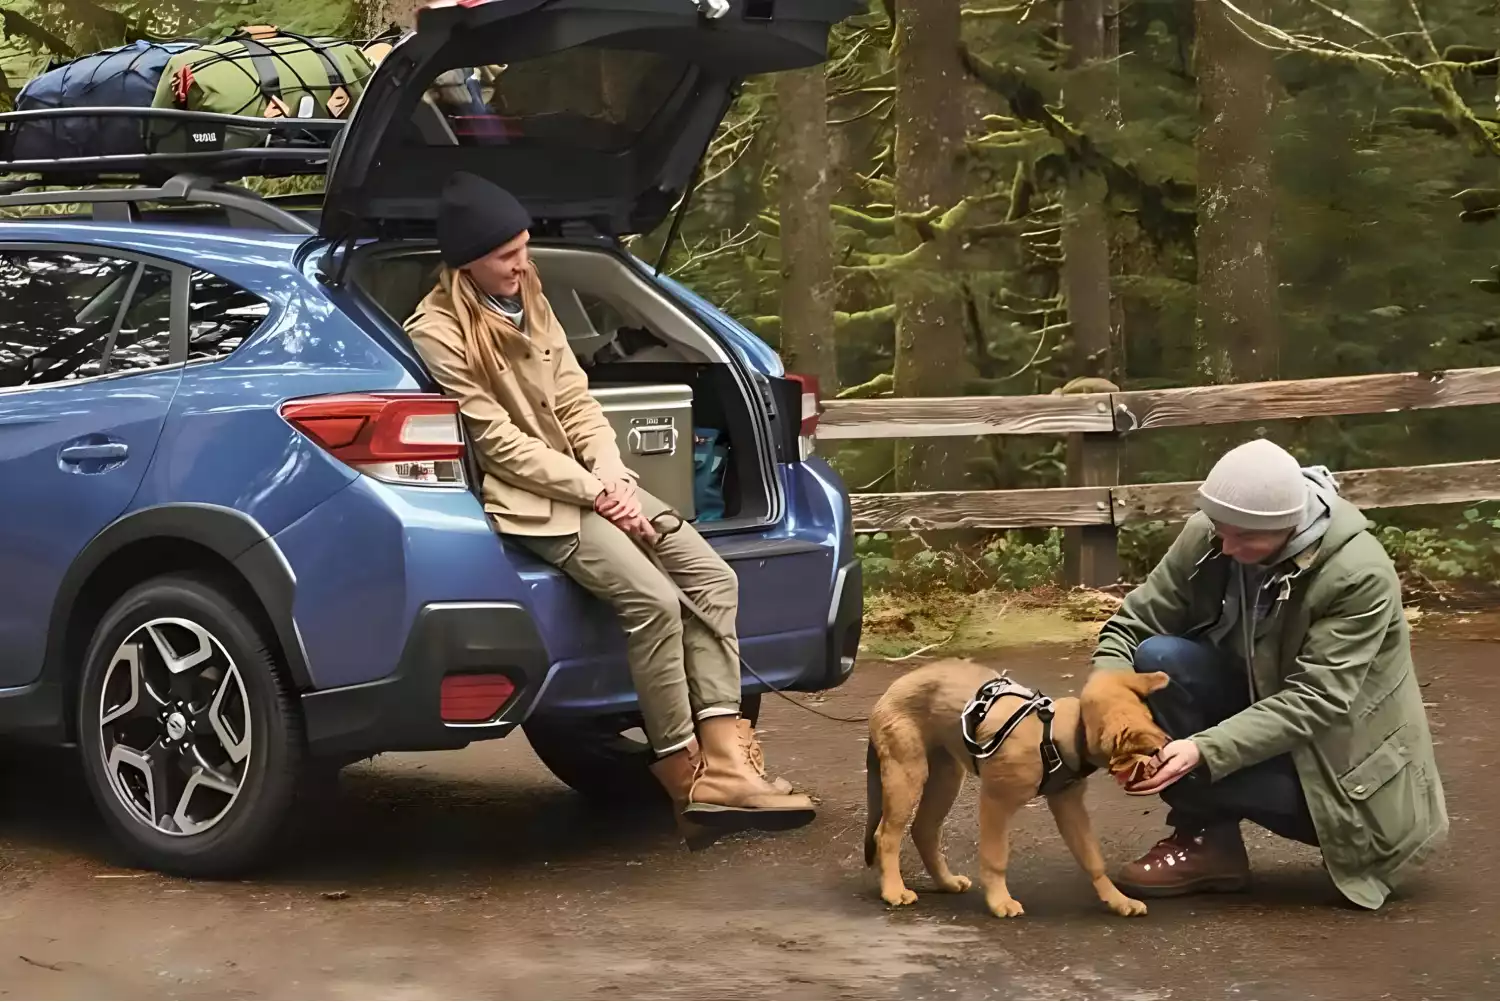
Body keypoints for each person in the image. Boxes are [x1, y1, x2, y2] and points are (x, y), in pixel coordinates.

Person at [404, 171, 816, 847]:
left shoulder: (530, 295)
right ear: (467, 260)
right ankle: (683, 773)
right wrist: (593, 492)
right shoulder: (438, 329)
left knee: (713, 579)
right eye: (507, 255)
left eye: (525, 247)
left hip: (597, 482)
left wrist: (613, 473)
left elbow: (576, 399)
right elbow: (498, 445)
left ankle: (728, 766)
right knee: (654, 600)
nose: (522, 264)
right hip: (535, 503)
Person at [1093, 438, 1447, 909]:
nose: (1226, 546)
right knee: (1161, 658)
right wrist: (1108, 700)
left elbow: (1315, 701)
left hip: (1346, 781)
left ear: (1290, 526)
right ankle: (1209, 846)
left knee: (1188, 762)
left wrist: (1203, 748)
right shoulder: (1216, 534)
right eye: (1220, 530)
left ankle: (1213, 824)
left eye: (1245, 538)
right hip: (1265, 724)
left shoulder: (1358, 575)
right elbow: (1132, 625)